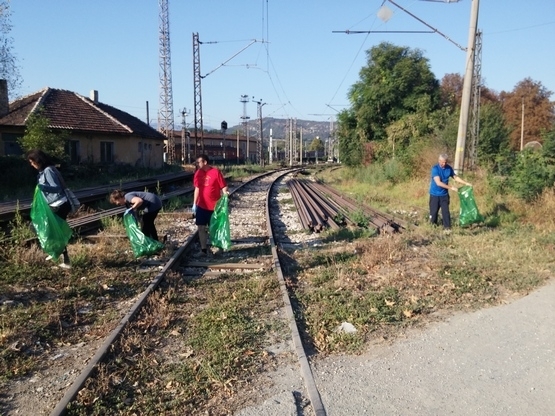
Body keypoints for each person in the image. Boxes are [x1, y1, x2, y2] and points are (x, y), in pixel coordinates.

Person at [27, 149, 72, 269]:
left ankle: (56, 252)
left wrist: (41, 187)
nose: (32, 164)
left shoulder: (48, 170)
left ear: (38, 160)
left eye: (32, 162)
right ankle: (63, 258)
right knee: (54, 231)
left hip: (58, 204)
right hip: (56, 204)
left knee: (39, 226)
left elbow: (56, 188)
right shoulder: (45, 171)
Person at [192, 154, 229, 255]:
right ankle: (203, 249)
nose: (197, 164)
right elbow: (197, 188)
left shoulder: (216, 172)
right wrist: (194, 203)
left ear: (205, 162)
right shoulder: (198, 173)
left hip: (214, 206)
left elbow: (223, 186)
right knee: (201, 227)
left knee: (215, 228)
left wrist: (225, 194)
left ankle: (218, 247)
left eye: (198, 162)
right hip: (201, 206)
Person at [429, 153, 472, 230]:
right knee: (434, 213)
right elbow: (438, 183)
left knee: (446, 212)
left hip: (444, 195)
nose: (444, 164)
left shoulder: (449, 168)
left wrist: (465, 183)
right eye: (442, 162)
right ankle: (432, 227)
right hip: (435, 194)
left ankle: (447, 228)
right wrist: (451, 188)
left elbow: (455, 177)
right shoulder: (435, 169)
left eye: (445, 162)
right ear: (439, 161)